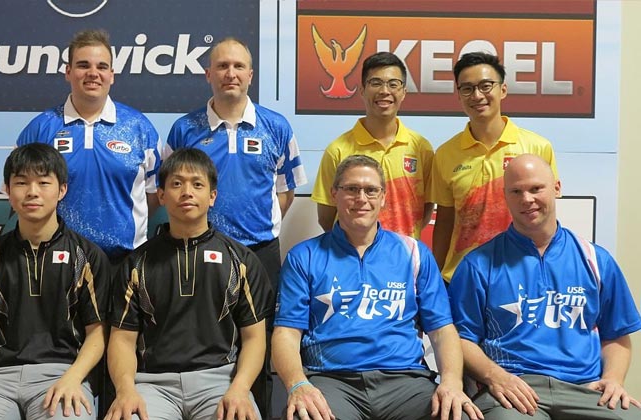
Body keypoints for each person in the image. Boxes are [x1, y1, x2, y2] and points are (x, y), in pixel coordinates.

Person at [272, 155, 482, 420]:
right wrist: (298, 384)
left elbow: (442, 331)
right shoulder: (305, 256)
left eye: (371, 190)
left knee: (459, 416)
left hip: (406, 382)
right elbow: (286, 333)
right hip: (332, 382)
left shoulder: (414, 253)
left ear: (383, 197)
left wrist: (451, 382)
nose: (361, 198)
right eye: (351, 189)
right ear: (334, 194)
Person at [167, 37, 307, 419]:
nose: (230, 73)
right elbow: (169, 189)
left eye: (238, 66)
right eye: (222, 66)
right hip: (198, 252)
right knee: (203, 341)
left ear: (250, 74)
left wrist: (255, 227)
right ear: (208, 74)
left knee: (259, 343)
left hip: (259, 254)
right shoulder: (184, 129)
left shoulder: (276, 127)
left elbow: (286, 191)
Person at [449, 154, 641, 420]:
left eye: (536, 188)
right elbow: (460, 339)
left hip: (584, 388)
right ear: (505, 196)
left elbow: (617, 334)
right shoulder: (478, 264)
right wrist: (496, 377)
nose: (526, 199)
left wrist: (613, 379)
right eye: (516, 191)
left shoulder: (597, 260)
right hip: (515, 389)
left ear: (557, 188)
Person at [0, 143, 110, 420]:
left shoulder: (87, 256)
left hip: (62, 375)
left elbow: (98, 332)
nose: (32, 192)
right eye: (21, 183)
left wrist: (74, 378)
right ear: (7, 190)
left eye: (43, 182)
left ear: (62, 190)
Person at [105, 148, 273, 420]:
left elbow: (254, 338)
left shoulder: (241, 260)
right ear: (161, 196)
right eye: (176, 184)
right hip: (152, 385)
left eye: (197, 184)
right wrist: (125, 391)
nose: (187, 192)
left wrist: (240, 389)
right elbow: (122, 340)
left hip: (221, 383)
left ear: (212, 196)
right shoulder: (136, 263)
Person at [17, 29, 163, 263]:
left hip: (125, 262)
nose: (93, 73)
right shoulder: (40, 129)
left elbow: (154, 194)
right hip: (58, 261)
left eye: (102, 67)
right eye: (83, 65)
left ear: (111, 75)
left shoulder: (139, 128)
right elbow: (19, 192)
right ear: (68, 72)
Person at [429, 51, 557, 282]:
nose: (477, 95)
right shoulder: (446, 154)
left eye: (486, 86)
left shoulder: (537, 147)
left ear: (503, 90)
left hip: (523, 273)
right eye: (467, 88)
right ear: (459, 95)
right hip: (462, 277)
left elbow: (547, 217)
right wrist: (434, 279)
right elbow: (445, 221)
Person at [312, 52, 433, 239]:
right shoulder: (338, 150)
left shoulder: (421, 148)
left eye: (393, 84)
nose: (384, 91)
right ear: (362, 90)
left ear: (403, 92)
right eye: (376, 83)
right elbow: (326, 218)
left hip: (404, 254)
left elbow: (423, 213)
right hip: (351, 254)